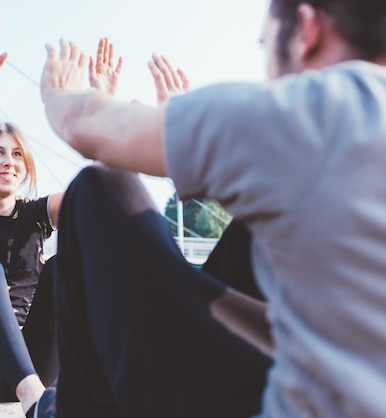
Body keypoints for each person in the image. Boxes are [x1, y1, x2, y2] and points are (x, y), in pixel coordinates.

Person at [39, 0, 386, 417]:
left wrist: (59, 92)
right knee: (250, 229)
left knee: (99, 191)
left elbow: (85, 125)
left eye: (265, 46)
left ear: (306, 30)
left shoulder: (312, 109)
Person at [0, 18, 124, 418]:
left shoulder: (37, 215)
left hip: (35, 364)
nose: (9, 161)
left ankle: (84, 389)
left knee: (63, 267)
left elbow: (97, 194)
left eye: (17, 154)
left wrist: (102, 109)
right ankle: (35, 399)